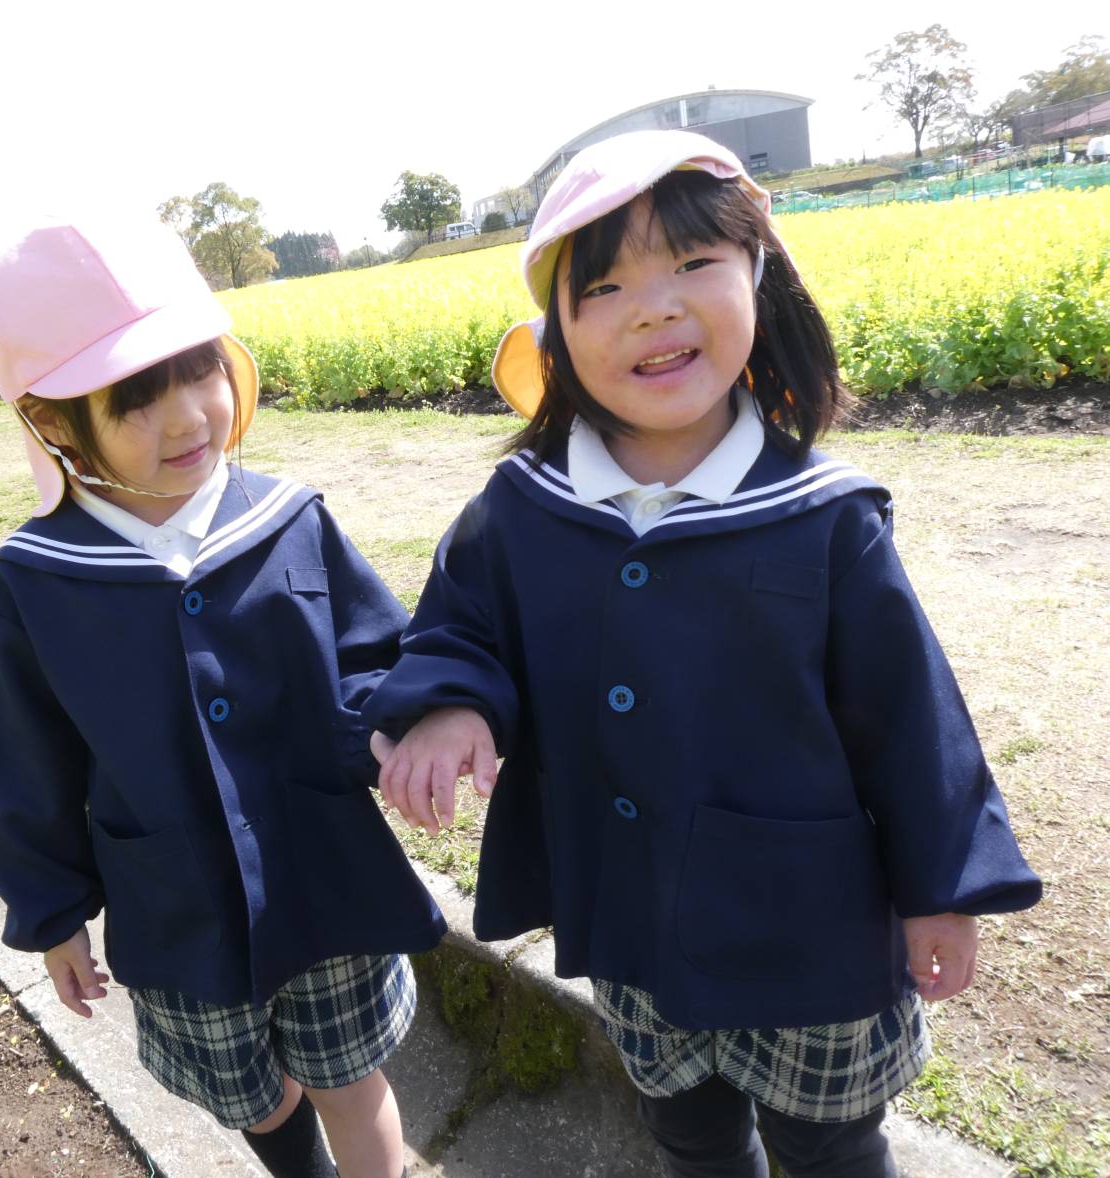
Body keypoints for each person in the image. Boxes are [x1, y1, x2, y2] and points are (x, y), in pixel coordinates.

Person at [363, 130, 1041, 1177]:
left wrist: (939, 889)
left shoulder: (824, 516)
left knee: (831, 1147)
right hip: (633, 919)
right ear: (556, 333)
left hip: (810, 930)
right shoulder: (522, 507)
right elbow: (460, 624)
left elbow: (910, 719)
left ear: (758, 277)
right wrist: (453, 704)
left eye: (691, 263)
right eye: (604, 286)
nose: (653, 308)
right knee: (687, 1133)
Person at [0, 220, 445, 1178]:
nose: (189, 417)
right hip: (175, 904)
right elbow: (24, 762)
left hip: (327, 873)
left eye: (200, 372)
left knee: (354, 1079)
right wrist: (52, 911)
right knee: (256, 1099)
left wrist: (400, 727)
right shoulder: (36, 580)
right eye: (137, 399)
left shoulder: (289, 518)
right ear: (53, 422)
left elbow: (371, 656)